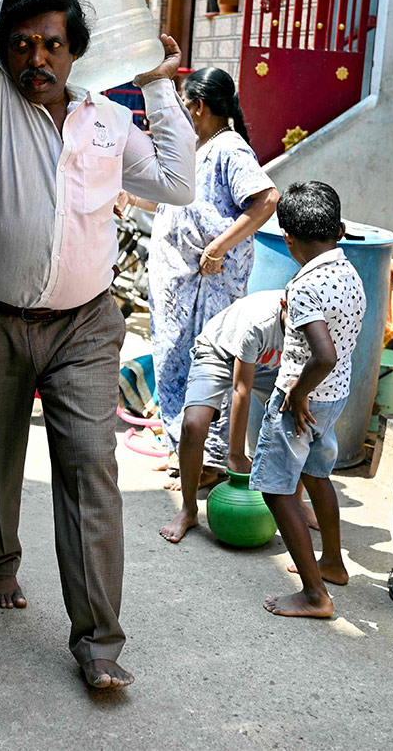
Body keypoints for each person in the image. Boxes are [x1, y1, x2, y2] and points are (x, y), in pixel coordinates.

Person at [0, 0, 197, 689]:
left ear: (76, 50)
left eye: (53, 42)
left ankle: (98, 647)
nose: (37, 56)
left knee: (91, 467)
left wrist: (160, 90)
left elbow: (174, 184)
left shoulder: (107, 119)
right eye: (22, 43)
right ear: (2, 53)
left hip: (86, 326)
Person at [137, 67, 279, 492]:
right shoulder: (196, 149)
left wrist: (217, 246)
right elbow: (169, 199)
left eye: (184, 104)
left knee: (205, 369)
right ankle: (183, 452)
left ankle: (208, 463)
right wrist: (126, 195)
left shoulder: (229, 148)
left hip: (207, 286)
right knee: (172, 365)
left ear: (198, 106)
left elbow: (266, 200)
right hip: (178, 285)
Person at [250, 182, 366, 619]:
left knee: (277, 488)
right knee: (317, 476)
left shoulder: (305, 285)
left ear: (289, 240)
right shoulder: (349, 273)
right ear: (337, 229)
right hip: (334, 396)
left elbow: (323, 353)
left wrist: (296, 393)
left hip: (300, 401)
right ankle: (333, 563)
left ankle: (315, 595)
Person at [158, 290, 284, 543]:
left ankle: (293, 502)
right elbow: (241, 390)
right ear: (284, 304)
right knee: (193, 424)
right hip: (219, 353)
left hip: (266, 366)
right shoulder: (259, 322)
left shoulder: (316, 326)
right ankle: (189, 510)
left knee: (296, 423)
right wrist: (235, 455)